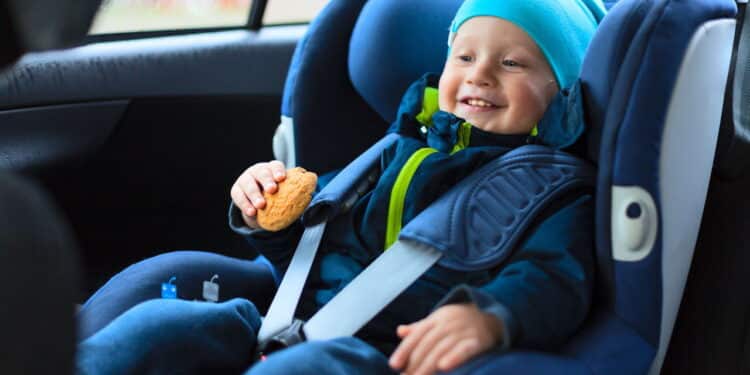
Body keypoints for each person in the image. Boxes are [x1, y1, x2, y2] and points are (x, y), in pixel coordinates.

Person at [76, 0, 606, 374]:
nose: (479, 75)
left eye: (511, 63)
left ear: (561, 91)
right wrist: (267, 211)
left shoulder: (554, 190)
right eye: (463, 57)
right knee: (158, 323)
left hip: (377, 352)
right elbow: (314, 240)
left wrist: (491, 316)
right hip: (281, 322)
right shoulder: (401, 150)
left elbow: (556, 276)